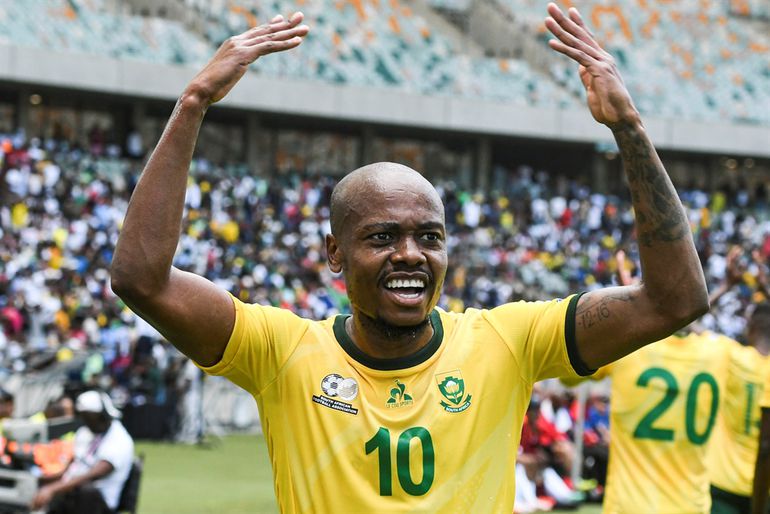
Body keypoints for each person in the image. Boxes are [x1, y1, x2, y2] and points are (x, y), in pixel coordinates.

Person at [109, 4, 708, 511]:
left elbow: (674, 301)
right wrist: (193, 103)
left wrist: (630, 129)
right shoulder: (281, 352)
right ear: (334, 253)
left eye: (430, 237)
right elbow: (141, 280)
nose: (410, 255)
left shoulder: (508, 343)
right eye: (382, 237)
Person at [562, 250, 733, 513]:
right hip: (690, 506)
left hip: (629, 506)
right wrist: (724, 289)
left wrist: (630, 308)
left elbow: (567, 375)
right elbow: (686, 311)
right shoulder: (720, 353)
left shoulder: (630, 346)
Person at [708, 249, 770, 514]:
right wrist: (766, 289)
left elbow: (681, 322)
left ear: (750, 328)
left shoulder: (730, 355)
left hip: (723, 484)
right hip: (764, 490)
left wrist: (725, 286)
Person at [30, 390, 135, 514]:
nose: (86, 421)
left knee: (85, 491)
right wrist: (39, 480)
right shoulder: (85, 432)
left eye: (89, 417)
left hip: (98, 504)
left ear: (101, 415)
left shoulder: (119, 440)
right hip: (73, 493)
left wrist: (52, 489)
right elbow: (69, 469)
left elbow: (91, 476)